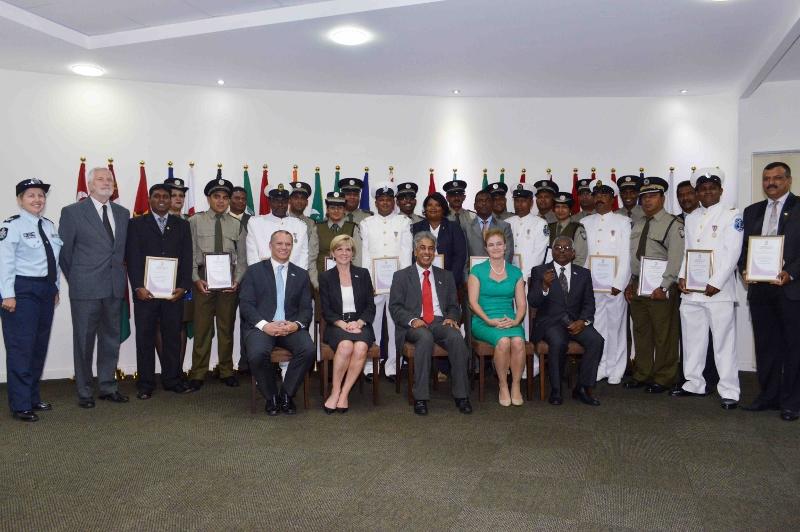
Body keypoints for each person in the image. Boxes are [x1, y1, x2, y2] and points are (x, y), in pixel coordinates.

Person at [59, 166, 130, 408]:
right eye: (100, 178)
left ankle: (108, 386)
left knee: (111, 339)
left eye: (109, 178)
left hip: (113, 287)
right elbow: (65, 254)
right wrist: (78, 278)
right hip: (85, 288)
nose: (106, 182)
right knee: (84, 341)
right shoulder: (72, 212)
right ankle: (84, 391)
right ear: (89, 185)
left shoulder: (122, 212)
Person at [672, 169, 742, 410]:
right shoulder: (691, 218)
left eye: (712, 187)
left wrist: (717, 281)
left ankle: (729, 390)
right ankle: (694, 383)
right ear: (697, 192)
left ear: (721, 191)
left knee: (723, 341)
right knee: (693, 339)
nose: (707, 192)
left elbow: (733, 252)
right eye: (702, 189)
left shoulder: (732, 216)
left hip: (718, 291)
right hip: (691, 290)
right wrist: (682, 276)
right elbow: (687, 252)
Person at [739, 162, 800, 421]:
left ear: (789, 180)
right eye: (766, 178)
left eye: (777, 178)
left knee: (793, 348)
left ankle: (792, 402)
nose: (771, 183)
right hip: (760, 291)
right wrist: (744, 270)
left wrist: (792, 273)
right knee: (765, 346)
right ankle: (768, 396)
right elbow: (744, 250)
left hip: (790, 290)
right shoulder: (752, 211)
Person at [389, 231, 472, 415]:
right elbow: (395, 307)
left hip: (439, 322)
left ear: (435, 252)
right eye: (422, 248)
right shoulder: (401, 276)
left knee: (456, 337)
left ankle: (462, 395)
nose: (427, 252)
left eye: (431, 248)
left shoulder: (446, 275)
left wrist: (452, 317)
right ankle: (421, 397)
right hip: (414, 325)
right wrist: (412, 320)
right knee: (424, 338)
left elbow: (453, 305)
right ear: (415, 251)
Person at [0, 179, 61, 421]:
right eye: (31, 195)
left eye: (41, 195)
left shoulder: (48, 225)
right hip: (21, 290)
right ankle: (20, 404)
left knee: (38, 347)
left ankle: (33, 397)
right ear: (20, 200)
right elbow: (4, 263)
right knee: (21, 348)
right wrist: (8, 294)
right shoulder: (10, 226)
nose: (37, 200)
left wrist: (55, 287)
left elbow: (53, 261)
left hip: (45, 290)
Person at [125, 184, 193, 399]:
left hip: (173, 293)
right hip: (146, 293)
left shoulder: (181, 225)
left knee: (172, 337)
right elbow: (133, 258)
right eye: (157, 196)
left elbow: (187, 258)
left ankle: (172, 379)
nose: (162, 199)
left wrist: (183, 286)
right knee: (144, 338)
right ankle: (145, 383)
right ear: (150, 199)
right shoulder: (135, 224)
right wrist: (137, 287)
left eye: (166, 196)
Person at [239, 230, 315, 416]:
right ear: (270, 246)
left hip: (291, 326)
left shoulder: (302, 275)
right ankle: (271, 396)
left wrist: (295, 325)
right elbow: (246, 305)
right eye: (279, 244)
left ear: (292, 247)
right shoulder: (254, 271)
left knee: (309, 350)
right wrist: (265, 325)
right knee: (257, 354)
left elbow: (306, 309)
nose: (283, 247)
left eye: (287, 244)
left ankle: (287, 395)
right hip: (263, 327)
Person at [624, 176, 684, 394]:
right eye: (644, 197)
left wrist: (665, 286)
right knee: (641, 331)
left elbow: (676, 258)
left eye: (652, 196)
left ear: (662, 198)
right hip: (639, 285)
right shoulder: (639, 224)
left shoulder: (673, 224)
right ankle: (642, 373)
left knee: (664, 333)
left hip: (660, 287)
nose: (647, 201)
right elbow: (634, 257)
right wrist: (631, 282)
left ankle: (664, 377)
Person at [528, 236, 604, 406]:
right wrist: (544, 286)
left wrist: (583, 321)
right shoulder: (540, 271)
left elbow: (589, 303)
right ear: (552, 251)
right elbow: (533, 301)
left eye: (566, 248)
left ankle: (583, 388)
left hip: (575, 322)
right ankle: (556, 390)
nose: (562, 250)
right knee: (558, 341)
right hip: (550, 322)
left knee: (596, 341)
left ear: (573, 253)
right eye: (558, 247)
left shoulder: (583, 273)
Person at [187, 177, 247, 390]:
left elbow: (242, 259)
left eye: (225, 197)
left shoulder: (237, 224)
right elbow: (190, 253)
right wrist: (195, 279)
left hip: (228, 283)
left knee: (226, 328)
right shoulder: (195, 221)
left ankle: (226, 370)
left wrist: (237, 281)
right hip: (203, 281)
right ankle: (198, 372)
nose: (221, 201)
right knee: (202, 329)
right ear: (208, 198)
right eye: (216, 197)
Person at [360, 182, 413, 382]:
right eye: (381, 200)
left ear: (394, 202)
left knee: (395, 324)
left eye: (388, 200)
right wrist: (367, 281)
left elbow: (406, 253)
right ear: (376, 202)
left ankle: (393, 365)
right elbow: (365, 254)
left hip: (396, 283)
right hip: (374, 283)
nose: (385, 203)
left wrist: (404, 282)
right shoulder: (367, 223)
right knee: (372, 323)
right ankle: (369, 365)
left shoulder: (403, 222)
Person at [580, 179, 631, 385]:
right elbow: (583, 256)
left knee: (616, 327)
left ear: (612, 198)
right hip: (592, 285)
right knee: (597, 327)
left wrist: (620, 282)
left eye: (605, 194)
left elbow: (626, 255)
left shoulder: (623, 222)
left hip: (614, 286)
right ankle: (601, 365)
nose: (600, 198)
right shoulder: (585, 223)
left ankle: (616, 368)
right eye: (597, 194)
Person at [468, 228, 527, 406]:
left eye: (499, 244)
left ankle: (515, 385)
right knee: (503, 342)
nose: (495, 248)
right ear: (486, 248)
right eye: (491, 245)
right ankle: (503, 385)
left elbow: (522, 304)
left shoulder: (516, 273)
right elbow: (473, 303)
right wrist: (489, 321)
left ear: (505, 246)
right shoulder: (476, 271)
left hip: (509, 319)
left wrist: (516, 320)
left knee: (517, 341)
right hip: (483, 320)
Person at [319, 234, 375, 413]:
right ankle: (335, 391)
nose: (344, 253)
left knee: (359, 348)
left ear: (353, 253)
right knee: (345, 346)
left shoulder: (363, 274)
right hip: (336, 324)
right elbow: (326, 309)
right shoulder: (325, 277)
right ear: (332, 253)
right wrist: (343, 324)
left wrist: (359, 322)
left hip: (361, 323)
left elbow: (370, 306)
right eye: (339, 249)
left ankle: (344, 393)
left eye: (348, 249)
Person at [411, 192, 467, 287]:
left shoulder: (454, 227)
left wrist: (451, 280)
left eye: (437, 205)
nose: (433, 208)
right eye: (429, 205)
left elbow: (460, 256)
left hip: (448, 279)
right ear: (425, 208)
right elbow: (412, 255)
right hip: (421, 279)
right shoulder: (416, 228)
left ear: (443, 208)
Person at [246, 184, 308, 269]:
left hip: (292, 275)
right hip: (263, 274)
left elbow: (303, 257)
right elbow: (252, 256)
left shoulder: (300, 226)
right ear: (270, 202)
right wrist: (259, 277)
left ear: (288, 202)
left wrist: (298, 279)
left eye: (284, 201)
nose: (280, 204)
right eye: (276, 201)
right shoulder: (256, 223)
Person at [313, 191, 362, 288]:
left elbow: (357, 257)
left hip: (347, 282)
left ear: (344, 210)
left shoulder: (353, 228)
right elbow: (311, 258)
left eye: (340, 208)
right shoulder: (318, 228)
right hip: (322, 282)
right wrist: (315, 282)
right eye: (332, 208)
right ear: (327, 210)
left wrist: (355, 281)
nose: (336, 211)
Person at [463, 189, 515, 265]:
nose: (484, 203)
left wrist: (501, 274)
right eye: (480, 201)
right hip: (474, 274)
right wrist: (466, 276)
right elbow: (464, 257)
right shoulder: (466, 227)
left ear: (492, 204)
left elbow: (508, 254)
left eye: (487, 200)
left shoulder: (504, 226)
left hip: (499, 273)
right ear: (474, 206)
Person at [288, 180, 320, 286]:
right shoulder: (282, 219)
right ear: (289, 200)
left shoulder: (311, 223)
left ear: (307, 202)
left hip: (304, 273)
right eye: (296, 198)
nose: (299, 201)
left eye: (303, 198)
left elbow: (312, 253)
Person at [548, 193, 588, 267]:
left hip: (569, 272)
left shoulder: (577, 229)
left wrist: (571, 274)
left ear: (570, 210)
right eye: (557, 207)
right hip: (550, 272)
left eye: (564, 207)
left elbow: (580, 257)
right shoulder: (549, 227)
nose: (560, 210)